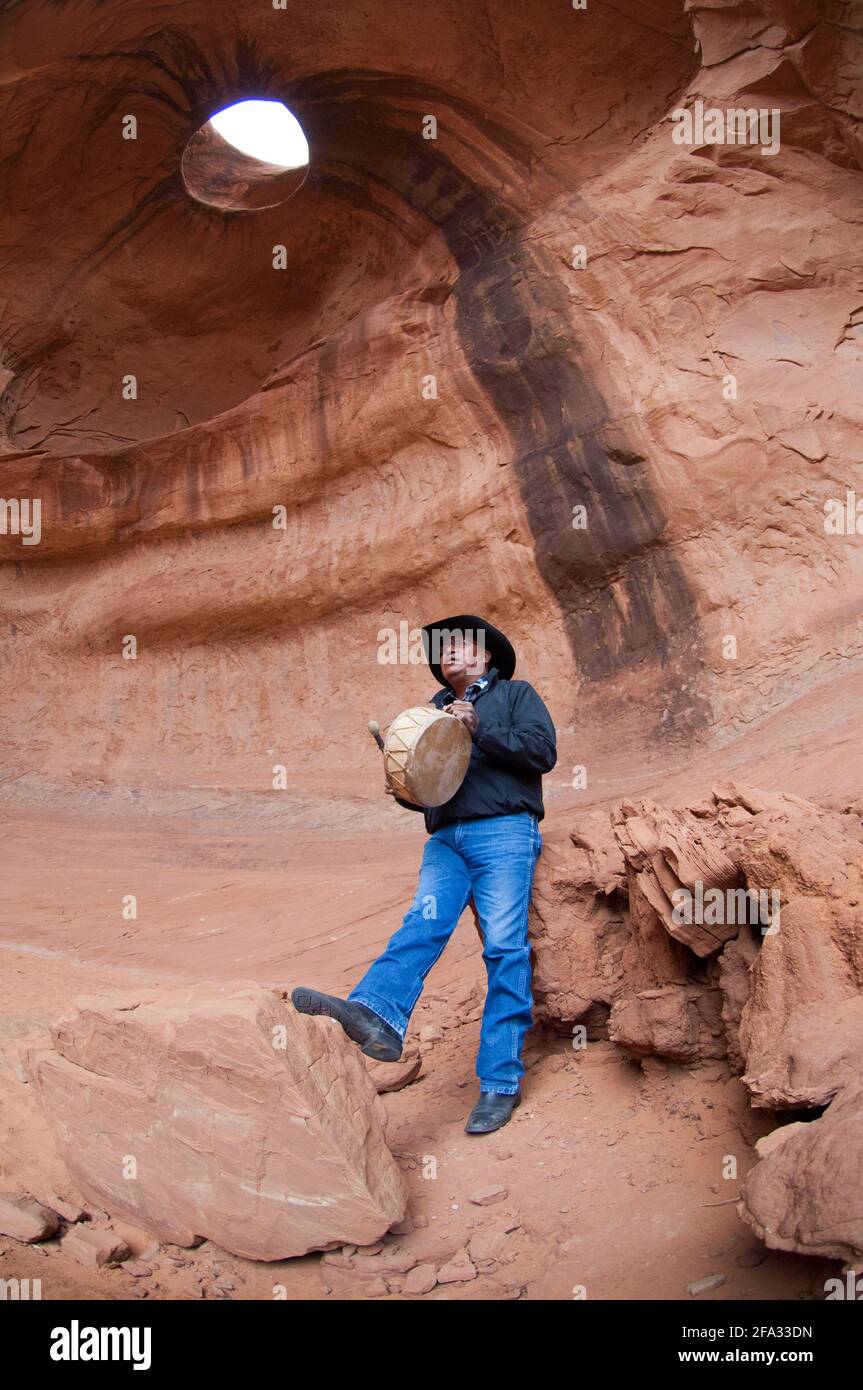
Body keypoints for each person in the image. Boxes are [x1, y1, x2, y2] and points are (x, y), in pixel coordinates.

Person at [292, 614, 557, 1134]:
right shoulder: (430, 711)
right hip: (446, 839)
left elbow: (542, 753)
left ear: (487, 656)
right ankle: (377, 1016)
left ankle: (500, 1083)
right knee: (421, 925)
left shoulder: (516, 695)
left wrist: (482, 729)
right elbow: (431, 790)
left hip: (504, 831)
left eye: (462, 644)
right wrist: (406, 788)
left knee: (505, 947)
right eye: (444, 649)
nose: (451, 652)